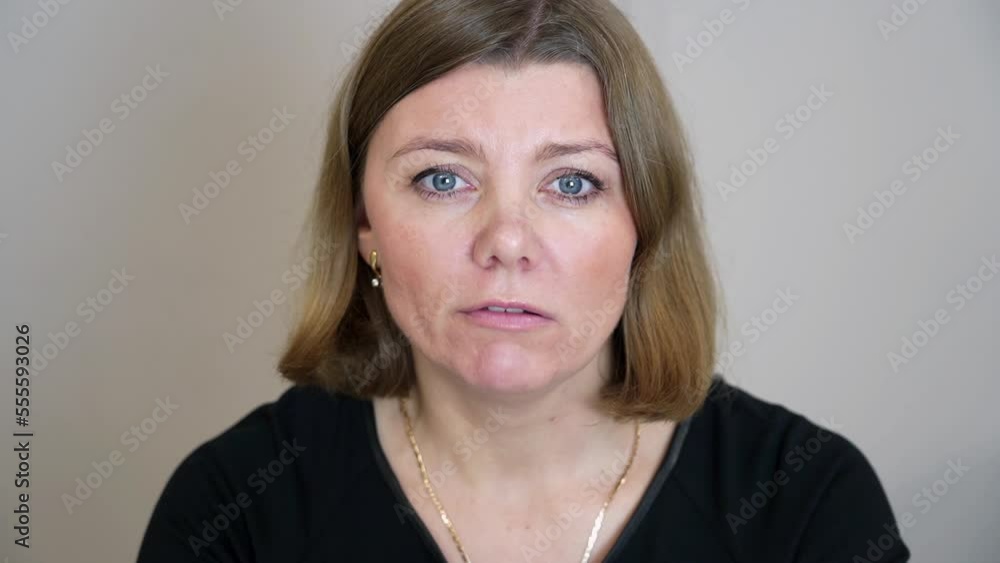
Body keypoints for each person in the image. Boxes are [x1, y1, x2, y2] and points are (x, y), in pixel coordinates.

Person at [137, 0, 910, 561]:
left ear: (643, 227)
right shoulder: (236, 509)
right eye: (442, 178)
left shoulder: (806, 504)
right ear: (364, 223)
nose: (507, 241)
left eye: (571, 183)